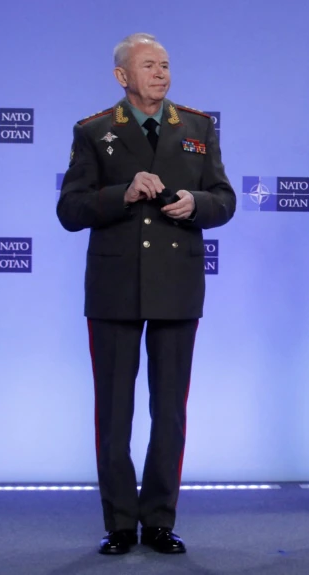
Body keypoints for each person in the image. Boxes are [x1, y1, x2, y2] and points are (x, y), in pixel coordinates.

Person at [56, 32, 236, 555]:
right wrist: (122, 193)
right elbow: (70, 210)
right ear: (122, 77)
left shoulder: (199, 126)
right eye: (149, 65)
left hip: (177, 286)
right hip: (114, 289)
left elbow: (224, 200)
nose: (161, 73)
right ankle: (118, 523)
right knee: (113, 412)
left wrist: (196, 204)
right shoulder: (93, 131)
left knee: (170, 411)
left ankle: (159, 519)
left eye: (165, 65)